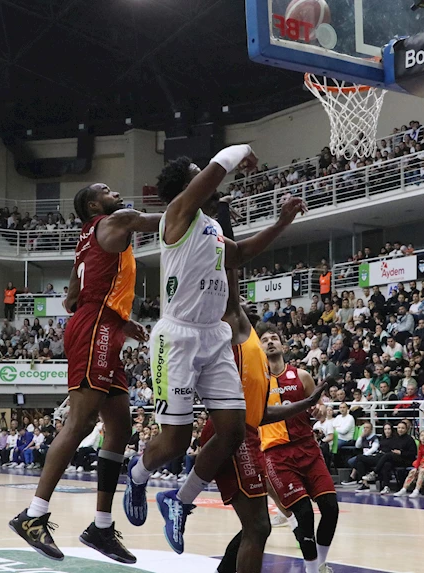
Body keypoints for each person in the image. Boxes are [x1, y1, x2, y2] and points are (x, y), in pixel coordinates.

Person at [122, 146, 306, 555]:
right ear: (188, 188)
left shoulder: (210, 227)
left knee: (233, 431)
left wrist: (281, 222)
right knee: (174, 443)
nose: (206, 176)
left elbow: (239, 255)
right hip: (178, 339)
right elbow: (219, 166)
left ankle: (179, 500)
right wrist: (242, 151)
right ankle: (136, 475)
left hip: (213, 336)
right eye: (197, 172)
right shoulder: (178, 215)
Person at [10, 183, 156, 563]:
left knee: (120, 426)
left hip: (104, 325)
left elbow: (71, 297)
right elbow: (169, 223)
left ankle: (101, 527)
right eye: (107, 190)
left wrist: (121, 320)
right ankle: (33, 515)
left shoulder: (86, 240)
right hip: (95, 329)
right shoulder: (117, 220)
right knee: (80, 422)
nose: (114, 191)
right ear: (95, 205)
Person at [206, 194, 327, 573]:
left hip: (247, 425)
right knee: (258, 525)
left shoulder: (253, 342)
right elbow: (231, 264)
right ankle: (181, 499)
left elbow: (262, 412)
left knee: (255, 525)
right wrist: (222, 215)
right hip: (233, 429)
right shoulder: (233, 326)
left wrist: (306, 405)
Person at [258, 324, 339, 573]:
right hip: (276, 454)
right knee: (304, 513)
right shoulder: (256, 381)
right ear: (259, 348)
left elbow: (321, 409)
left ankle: (321, 564)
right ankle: (311, 568)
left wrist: (317, 410)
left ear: (283, 346)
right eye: (265, 340)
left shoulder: (301, 376)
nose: (270, 342)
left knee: (330, 508)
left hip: (307, 448)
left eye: (274, 338)